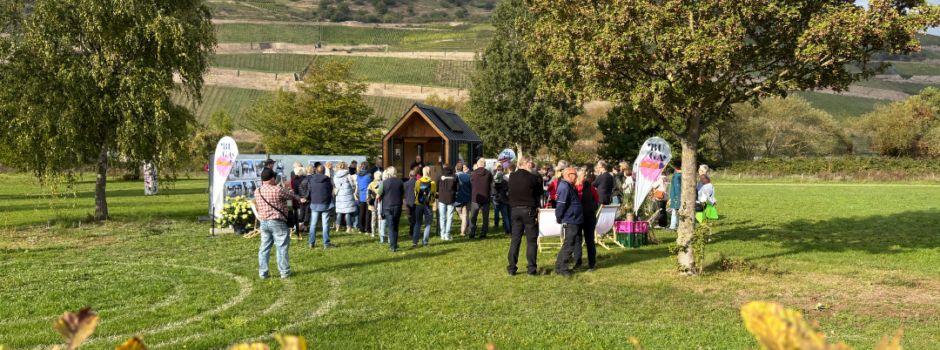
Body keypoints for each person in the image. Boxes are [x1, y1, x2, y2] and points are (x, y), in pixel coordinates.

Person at [254, 168, 306, 279]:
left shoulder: (257, 190)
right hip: (277, 222)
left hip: (263, 222)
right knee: (281, 247)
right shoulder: (277, 190)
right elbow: (292, 196)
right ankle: (284, 272)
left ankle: (263, 273)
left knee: (264, 248)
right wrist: (297, 196)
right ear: (272, 178)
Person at [507, 159, 543, 276]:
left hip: (515, 210)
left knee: (515, 239)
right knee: (531, 240)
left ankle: (512, 268)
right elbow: (539, 192)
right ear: (526, 164)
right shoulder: (532, 178)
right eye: (530, 164)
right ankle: (531, 268)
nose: (531, 166)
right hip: (528, 210)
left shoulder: (512, 177)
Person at [553, 167, 583, 278]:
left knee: (571, 243)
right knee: (569, 244)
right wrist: (559, 217)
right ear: (569, 175)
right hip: (570, 219)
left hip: (575, 218)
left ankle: (559, 266)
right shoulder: (564, 187)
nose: (576, 177)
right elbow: (560, 204)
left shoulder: (569, 186)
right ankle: (562, 268)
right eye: (575, 174)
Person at [573, 166, 599, 272]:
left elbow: (596, 198)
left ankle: (592, 264)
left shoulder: (589, 185)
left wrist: (592, 207)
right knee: (577, 240)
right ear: (577, 175)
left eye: (585, 174)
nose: (585, 176)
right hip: (576, 217)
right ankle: (577, 262)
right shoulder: (572, 186)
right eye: (583, 174)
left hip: (589, 217)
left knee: (589, 240)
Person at [306, 165, 334, 248]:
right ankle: (326, 243)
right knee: (325, 224)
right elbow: (330, 190)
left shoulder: (311, 179)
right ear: (324, 171)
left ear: (316, 171)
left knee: (313, 224)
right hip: (325, 203)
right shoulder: (327, 180)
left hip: (314, 202)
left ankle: (311, 243)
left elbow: (309, 190)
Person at [379, 167, 405, 252]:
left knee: (390, 227)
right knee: (396, 226)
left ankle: (392, 246)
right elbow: (402, 194)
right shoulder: (400, 182)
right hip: (397, 205)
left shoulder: (384, 183)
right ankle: (394, 244)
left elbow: (379, 194)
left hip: (387, 206)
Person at [412, 166, 437, 247]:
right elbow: (433, 194)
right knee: (428, 224)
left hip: (418, 204)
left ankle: (415, 242)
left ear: (422, 172)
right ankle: (425, 242)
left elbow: (415, 193)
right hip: (428, 205)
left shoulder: (418, 182)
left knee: (418, 223)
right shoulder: (432, 183)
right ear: (429, 172)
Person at [469, 158, 493, 239]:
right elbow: (491, 183)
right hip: (486, 197)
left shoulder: (472, 174)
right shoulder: (489, 173)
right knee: (485, 217)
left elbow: (471, 184)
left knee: (473, 217)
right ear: (485, 165)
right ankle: (484, 233)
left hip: (475, 197)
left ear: (478, 164)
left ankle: (472, 232)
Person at [333, 162, 357, 233]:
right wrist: (352, 189)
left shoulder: (335, 175)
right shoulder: (348, 175)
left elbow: (335, 184)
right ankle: (348, 228)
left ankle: (337, 228)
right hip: (347, 195)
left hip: (339, 195)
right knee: (347, 212)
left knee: (339, 212)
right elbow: (352, 185)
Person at [437, 165, 458, 241]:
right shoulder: (455, 176)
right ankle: (447, 235)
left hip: (441, 198)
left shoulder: (439, 176)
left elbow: (436, 187)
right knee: (450, 217)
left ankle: (442, 235)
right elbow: (456, 188)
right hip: (451, 199)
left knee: (442, 217)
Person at [454, 162, 472, 236]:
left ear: (456, 169)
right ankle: (463, 231)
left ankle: (464, 229)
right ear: (462, 168)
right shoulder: (468, 176)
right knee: (465, 215)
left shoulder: (455, 176)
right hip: (467, 197)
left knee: (459, 212)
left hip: (458, 197)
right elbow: (471, 187)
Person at [492, 167, 511, 234]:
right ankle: (508, 229)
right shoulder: (505, 182)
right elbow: (507, 191)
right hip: (504, 200)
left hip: (496, 200)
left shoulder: (494, 183)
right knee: (505, 216)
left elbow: (493, 192)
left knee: (496, 213)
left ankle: (496, 224)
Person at [356, 163, 373, 234]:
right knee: (368, 213)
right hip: (367, 196)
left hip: (361, 196)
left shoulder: (358, 176)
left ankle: (361, 228)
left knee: (361, 213)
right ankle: (367, 228)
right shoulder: (368, 177)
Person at [368, 171, 383, 240]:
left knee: (373, 218)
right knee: (380, 218)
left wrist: (369, 202)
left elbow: (368, 194)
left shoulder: (371, 184)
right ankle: (380, 232)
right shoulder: (383, 183)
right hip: (380, 202)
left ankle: (373, 232)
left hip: (373, 203)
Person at [404, 170, 418, 239]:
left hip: (408, 203)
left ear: (409, 175)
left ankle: (411, 232)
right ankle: (413, 232)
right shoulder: (418, 183)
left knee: (410, 218)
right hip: (416, 203)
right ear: (415, 176)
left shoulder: (405, 183)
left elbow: (403, 193)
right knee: (415, 219)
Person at [668, 166, 682, 230]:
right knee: (678, 212)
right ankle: (677, 225)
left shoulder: (676, 176)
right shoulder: (683, 175)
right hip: (678, 196)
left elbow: (674, 188)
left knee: (675, 212)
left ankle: (673, 226)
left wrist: (672, 197)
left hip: (676, 196)